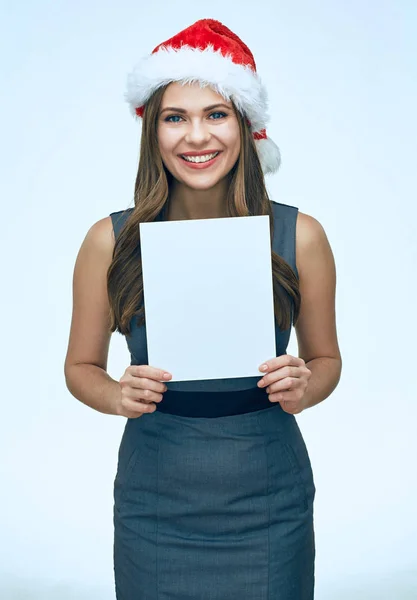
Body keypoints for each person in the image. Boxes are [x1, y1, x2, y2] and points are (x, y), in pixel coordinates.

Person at [64, 18, 342, 600]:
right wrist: (116, 395)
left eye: (215, 114)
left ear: (245, 126)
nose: (196, 136)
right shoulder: (108, 241)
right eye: (175, 118)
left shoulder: (301, 236)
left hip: (268, 490)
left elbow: (325, 359)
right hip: (156, 492)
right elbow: (79, 367)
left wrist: (306, 384)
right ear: (152, 131)